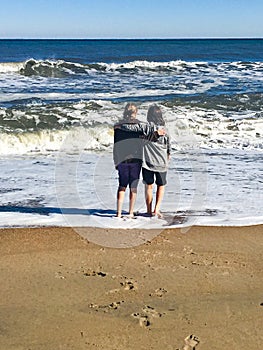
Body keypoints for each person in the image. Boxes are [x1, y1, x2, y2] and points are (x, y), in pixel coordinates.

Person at [117, 104, 171, 218]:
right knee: (161, 186)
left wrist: (119, 125)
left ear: (149, 116)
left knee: (149, 186)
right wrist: (168, 156)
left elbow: (129, 128)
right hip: (162, 163)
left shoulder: (145, 127)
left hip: (148, 163)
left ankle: (149, 210)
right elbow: (168, 147)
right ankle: (157, 209)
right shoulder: (165, 130)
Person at [113, 103, 142, 218]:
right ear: (135, 113)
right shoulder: (139, 126)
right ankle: (130, 212)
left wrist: (115, 160)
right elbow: (141, 143)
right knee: (133, 187)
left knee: (122, 186)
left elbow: (116, 145)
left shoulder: (118, 126)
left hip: (122, 159)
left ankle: (119, 213)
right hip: (136, 159)